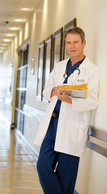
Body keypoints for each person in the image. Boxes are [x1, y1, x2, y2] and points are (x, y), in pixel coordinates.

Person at [34, 26, 99, 194]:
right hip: (52, 125)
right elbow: (46, 90)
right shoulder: (60, 66)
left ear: (83, 43)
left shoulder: (92, 70)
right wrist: (54, 91)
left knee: (66, 178)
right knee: (42, 166)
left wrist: (70, 100)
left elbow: (93, 101)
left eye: (76, 42)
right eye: (69, 43)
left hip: (72, 127)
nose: (72, 46)